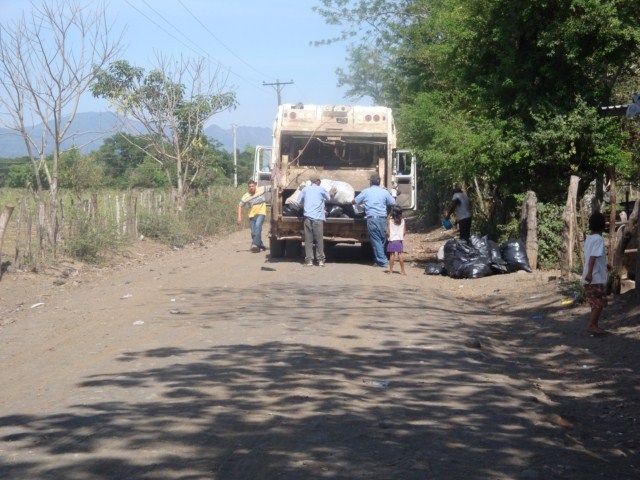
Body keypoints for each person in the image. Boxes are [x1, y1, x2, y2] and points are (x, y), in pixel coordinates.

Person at [353, 174, 396, 267]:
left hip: (372, 219)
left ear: (371, 182)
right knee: (382, 240)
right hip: (383, 219)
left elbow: (355, 201)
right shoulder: (384, 192)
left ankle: (383, 261)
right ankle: (378, 260)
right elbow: (393, 202)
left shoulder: (366, 192)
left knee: (376, 241)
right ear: (379, 182)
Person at [582, 211, 610, 336]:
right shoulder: (599, 239)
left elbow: (591, 256)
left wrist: (605, 265)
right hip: (595, 277)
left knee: (595, 303)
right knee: (599, 303)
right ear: (603, 225)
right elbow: (593, 257)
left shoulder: (589, 238)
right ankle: (591, 325)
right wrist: (590, 274)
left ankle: (595, 325)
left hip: (590, 275)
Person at [297, 175, 330, 266]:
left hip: (307, 218)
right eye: (320, 181)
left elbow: (299, 201)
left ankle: (309, 260)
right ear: (317, 181)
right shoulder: (321, 189)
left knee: (308, 240)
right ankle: (320, 260)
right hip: (318, 218)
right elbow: (329, 198)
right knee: (319, 240)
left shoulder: (305, 189)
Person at [237, 180, 271, 253]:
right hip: (252, 215)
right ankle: (261, 245)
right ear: (248, 187)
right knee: (253, 232)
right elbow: (240, 206)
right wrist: (239, 217)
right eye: (250, 186)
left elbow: (272, 188)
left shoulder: (261, 189)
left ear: (255, 186)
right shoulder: (246, 196)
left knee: (258, 227)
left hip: (261, 212)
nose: (251, 188)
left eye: (252, 186)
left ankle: (255, 245)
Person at [386, 206, 407, 275]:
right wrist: (401, 237)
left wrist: (388, 236)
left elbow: (387, 232)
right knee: (400, 254)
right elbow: (404, 232)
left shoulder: (390, 220)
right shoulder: (403, 221)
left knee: (392, 255)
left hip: (392, 240)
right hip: (399, 241)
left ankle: (391, 271)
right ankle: (403, 271)